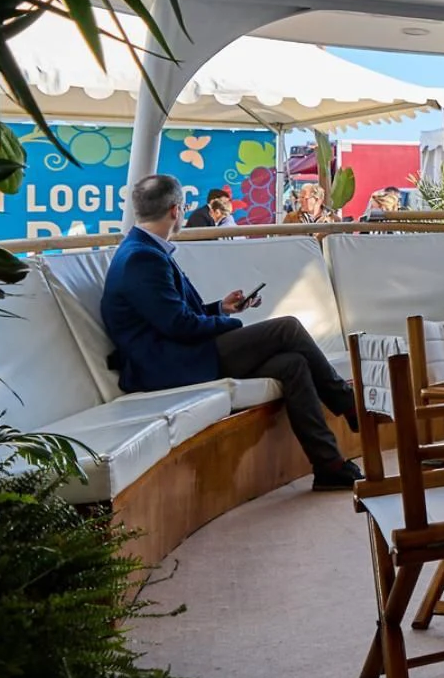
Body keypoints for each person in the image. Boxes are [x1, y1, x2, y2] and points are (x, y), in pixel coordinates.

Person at [101, 174, 362, 491]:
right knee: (287, 328)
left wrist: (220, 309)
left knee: (292, 363)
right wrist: (231, 325)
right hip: (168, 365)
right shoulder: (143, 258)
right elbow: (179, 326)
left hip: (178, 354)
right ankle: (350, 404)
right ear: (175, 210)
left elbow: (172, 316)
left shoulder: (143, 250)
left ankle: (329, 465)